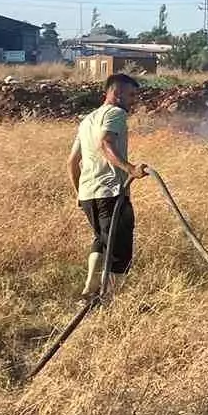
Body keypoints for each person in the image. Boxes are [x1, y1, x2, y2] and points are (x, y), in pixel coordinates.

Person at [67, 73, 148, 300]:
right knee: (120, 250)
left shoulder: (87, 120)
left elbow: (72, 162)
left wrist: (79, 194)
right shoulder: (116, 113)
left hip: (89, 194)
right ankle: (107, 299)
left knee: (101, 239)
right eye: (131, 95)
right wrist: (130, 168)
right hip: (111, 192)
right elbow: (105, 143)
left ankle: (90, 287)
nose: (134, 100)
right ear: (117, 93)